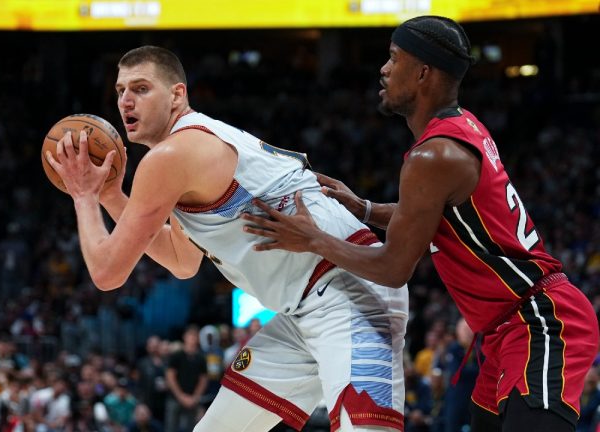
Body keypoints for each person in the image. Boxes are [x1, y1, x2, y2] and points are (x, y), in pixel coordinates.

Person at [241, 15, 599, 432]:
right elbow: (431, 215)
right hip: (506, 329)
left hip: (539, 321)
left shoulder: (434, 156)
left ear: (423, 72)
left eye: (394, 58)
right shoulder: (462, 128)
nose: (384, 69)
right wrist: (365, 209)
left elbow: (394, 268)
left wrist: (314, 239)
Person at [45, 45, 409, 431]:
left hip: (348, 294)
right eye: (120, 91)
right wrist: (112, 197)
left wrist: (83, 196)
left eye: (140, 88)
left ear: (176, 95)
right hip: (303, 310)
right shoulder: (187, 150)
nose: (126, 101)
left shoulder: (172, 156)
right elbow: (182, 261)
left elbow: (106, 272)